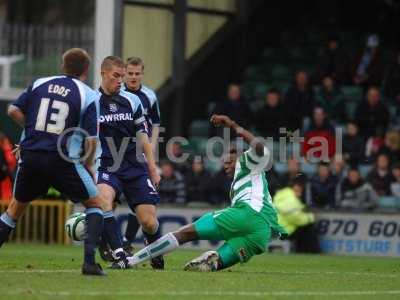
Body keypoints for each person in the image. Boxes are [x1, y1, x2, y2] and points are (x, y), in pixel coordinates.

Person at [126, 115, 287, 271]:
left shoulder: (248, 161)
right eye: (224, 163)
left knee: (186, 233)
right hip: (262, 233)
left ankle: (131, 260)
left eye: (229, 160)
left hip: (249, 213)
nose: (226, 165)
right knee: (214, 263)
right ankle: (212, 261)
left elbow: (260, 148)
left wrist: (232, 125)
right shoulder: (247, 179)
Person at [1, 48, 106, 276]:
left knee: (13, 210)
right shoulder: (88, 95)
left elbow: (12, 110)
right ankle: (89, 263)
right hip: (63, 160)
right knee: (96, 204)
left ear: (63, 65)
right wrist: (88, 165)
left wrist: (32, 134)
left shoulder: (40, 83)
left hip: (31, 156)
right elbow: (92, 140)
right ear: (86, 71)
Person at [95, 56, 162, 269]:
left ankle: (154, 248)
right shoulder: (90, 101)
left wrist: (152, 167)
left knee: (149, 222)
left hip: (134, 166)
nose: (120, 81)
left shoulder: (133, 101)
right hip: (107, 166)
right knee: (105, 201)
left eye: (122, 77)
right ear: (103, 73)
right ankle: (118, 253)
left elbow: (144, 137)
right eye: (117, 76)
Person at [120, 57, 162, 258]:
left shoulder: (149, 96)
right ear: (124, 73)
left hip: (140, 153)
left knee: (141, 197)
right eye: (130, 73)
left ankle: (127, 241)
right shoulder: (116, 93)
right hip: (115, 153)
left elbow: (155, 123)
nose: (134, 77)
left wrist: (151, 147)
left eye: (138, 73)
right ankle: (117, 242)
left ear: (142, 74)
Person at [273, 178, 321, 253]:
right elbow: (296, 218)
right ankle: (314, 251)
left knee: (304, 229)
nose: (300, 191)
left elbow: (295, 211)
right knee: (308, 227)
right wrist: (310, 217)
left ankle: (304, 251)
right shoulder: (291, 199)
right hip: (285, 230)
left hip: (276, 228)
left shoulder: (282, 194)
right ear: (293, 187)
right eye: (298, 188)